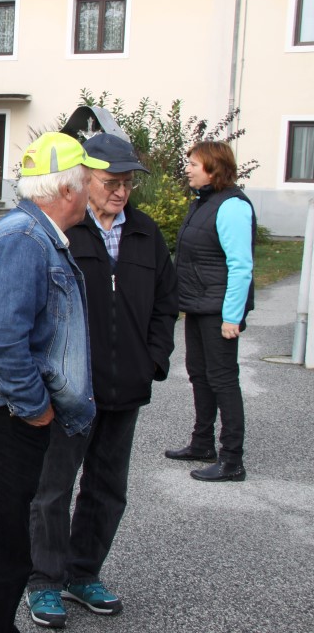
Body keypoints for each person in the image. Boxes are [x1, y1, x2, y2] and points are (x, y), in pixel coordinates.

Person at [0, 131, 106, 633]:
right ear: (68, 189)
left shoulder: (35, 234)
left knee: (4, 542)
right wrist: (36, 408)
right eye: (89, 181)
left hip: (1, 412)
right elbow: (1, 338)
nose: (94, 190)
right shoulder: (26, 239)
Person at [26, 134, 178, 628]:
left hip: (125, 387)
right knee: (52, 489)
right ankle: (44, 581)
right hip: (71, 388)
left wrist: (152, 360)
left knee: (108, 488)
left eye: (128, 182)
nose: (121, 191)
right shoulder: (65, 230)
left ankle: (82, 573)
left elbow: (166, 302)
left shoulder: (145, 233)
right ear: (85, 179)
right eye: (112, 182)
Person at [165, 140, 255, 483]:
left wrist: (232, 316)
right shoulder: (203, 202)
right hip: (199, 305)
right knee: (199, 374)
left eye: (193, 163)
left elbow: (241, 266)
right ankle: (202, 443)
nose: (187, 168)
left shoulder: (232, 206)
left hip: (219, 310)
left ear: (214, 168)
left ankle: (232, 460)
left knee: (223, 380)